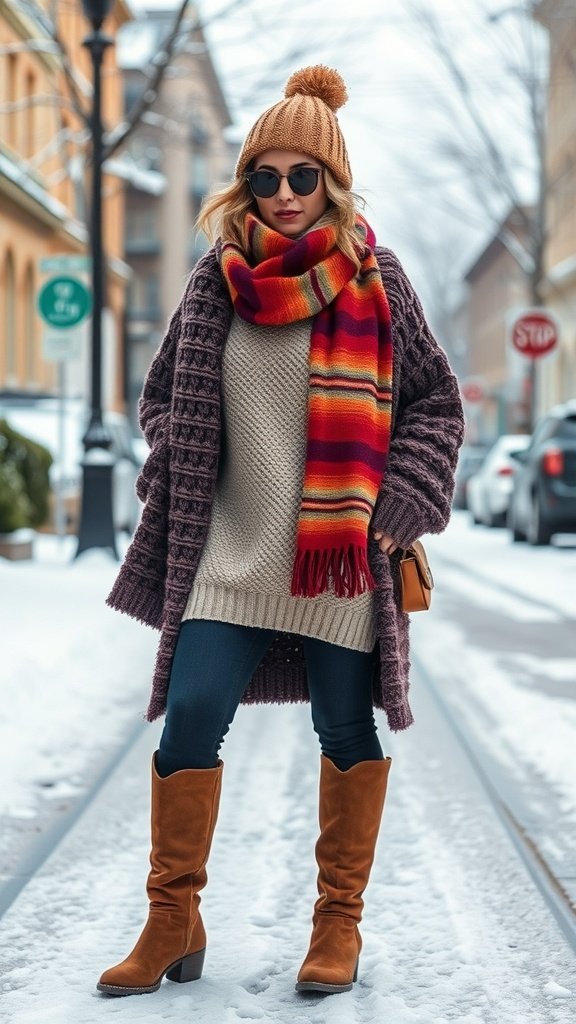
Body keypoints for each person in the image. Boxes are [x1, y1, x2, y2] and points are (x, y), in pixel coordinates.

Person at [97, 65, 464, 998]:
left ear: (334, 185)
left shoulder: (378, 282)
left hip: (340, 558)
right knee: (189, 722)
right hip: (229, 551)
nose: (287, 196)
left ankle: (336, 924)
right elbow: (159, 400)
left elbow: (437, 405)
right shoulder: (216, 283)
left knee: (345, 730)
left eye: (306, 178)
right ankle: (172, 918)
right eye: (267, 177)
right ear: (245, 185)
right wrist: (179, 455)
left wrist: (403, 497)